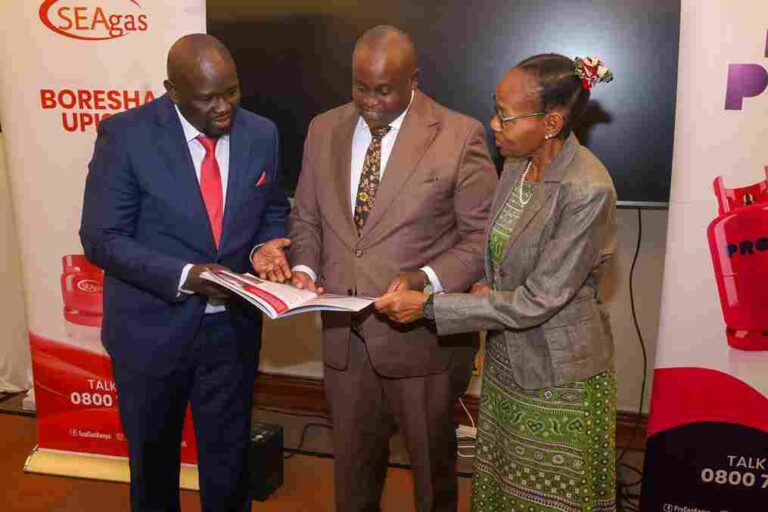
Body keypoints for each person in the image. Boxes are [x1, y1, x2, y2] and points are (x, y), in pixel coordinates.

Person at [376, 54, 618, 512]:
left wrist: (430, 307)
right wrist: (483, 282)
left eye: (505, 116)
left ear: (550, 122)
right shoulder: (517, 166)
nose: (493, 124)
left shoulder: (587, 189)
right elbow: (502, 254)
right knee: (505, 489)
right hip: (509, 361)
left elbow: (538, 300)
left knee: (550, 498)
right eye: (496, 109)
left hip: (557, 375)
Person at [285, 25, 498, 512]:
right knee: (353, 477)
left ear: (413, 80)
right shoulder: (323, 129)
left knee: (431, 476)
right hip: (345, 339)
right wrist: (302, 265)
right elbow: (307, 217)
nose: (369, 101)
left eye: (383, 90)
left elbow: (480, 238)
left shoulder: (459, 135)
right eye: (360, 87)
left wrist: (428, 278)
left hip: (422, 343)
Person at [79, 33, 291, 512]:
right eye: (208, 98)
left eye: (232, 92)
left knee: (230, 464)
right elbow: (101, 237)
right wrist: (184, 275)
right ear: (172, 90)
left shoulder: (262, 133)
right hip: (151, 330)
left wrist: (262, 248)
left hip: (231, 332)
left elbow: (272, 210)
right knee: (153, 470)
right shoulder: (126, 135)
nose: (224, 108)